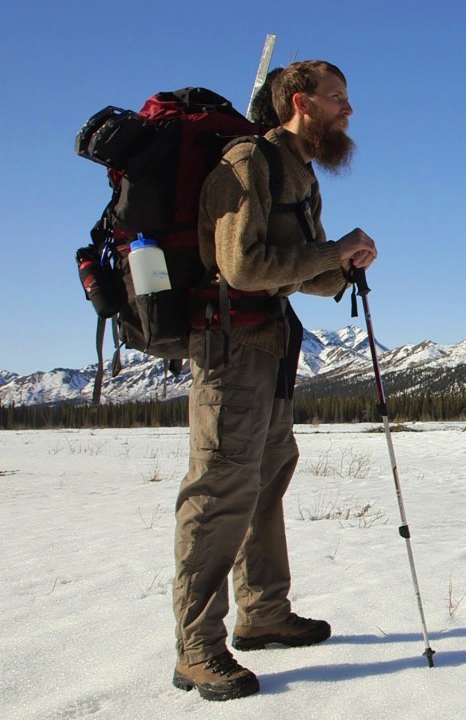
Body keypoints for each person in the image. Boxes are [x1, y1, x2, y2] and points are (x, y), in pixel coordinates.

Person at [171, 59, 377, 702]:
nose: (348, 110)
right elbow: (240, 266)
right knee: (221, 489)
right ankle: (199, 648)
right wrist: (331, 249)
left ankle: (263, 614)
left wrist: (343, 264)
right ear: (299, 100)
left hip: (272, 347)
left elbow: (300, 272)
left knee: (265, 479)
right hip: (230, 349)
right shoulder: (247, 163)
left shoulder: (301, 171)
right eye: (337, 98)